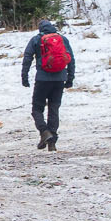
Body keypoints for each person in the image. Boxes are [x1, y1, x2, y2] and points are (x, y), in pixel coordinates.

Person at [20, 19, 76, 152]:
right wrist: (70, 78)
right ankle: (52, 142)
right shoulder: (62, 39)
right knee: (54, 109)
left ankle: (44, 132)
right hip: (59, 79)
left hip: (42, 79)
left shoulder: (36, 39)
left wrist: (24, 76)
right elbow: (71, 59)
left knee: (37, 109)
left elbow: (27, 58)